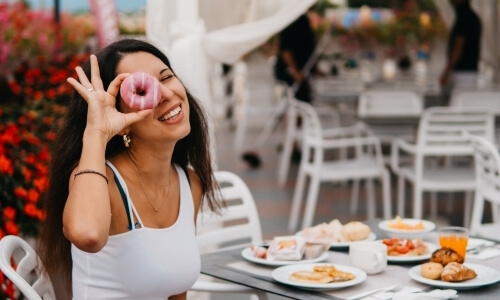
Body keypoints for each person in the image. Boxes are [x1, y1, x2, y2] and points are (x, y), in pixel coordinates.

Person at [37, 38, 224, 299]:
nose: (166, 94)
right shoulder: (102, 181)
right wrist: (97, 133)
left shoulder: (190, 183)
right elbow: (87, 235)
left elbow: (175, 290)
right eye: (142, 90)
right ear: (120, 119)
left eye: (166, 77)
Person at [274, 10, 317, 103]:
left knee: (302, 101)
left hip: (300, 71)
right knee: (296, 103)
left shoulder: (302, 18)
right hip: (291, 73)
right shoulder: (292, 19)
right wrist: (295, 71)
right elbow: (285, 50)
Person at [439, 0, 482, 90]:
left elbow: (458, 47)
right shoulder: (471, 18)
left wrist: (446, 71)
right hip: (467, 72)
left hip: (463, 73)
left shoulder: (464, 19)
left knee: (460, 101)